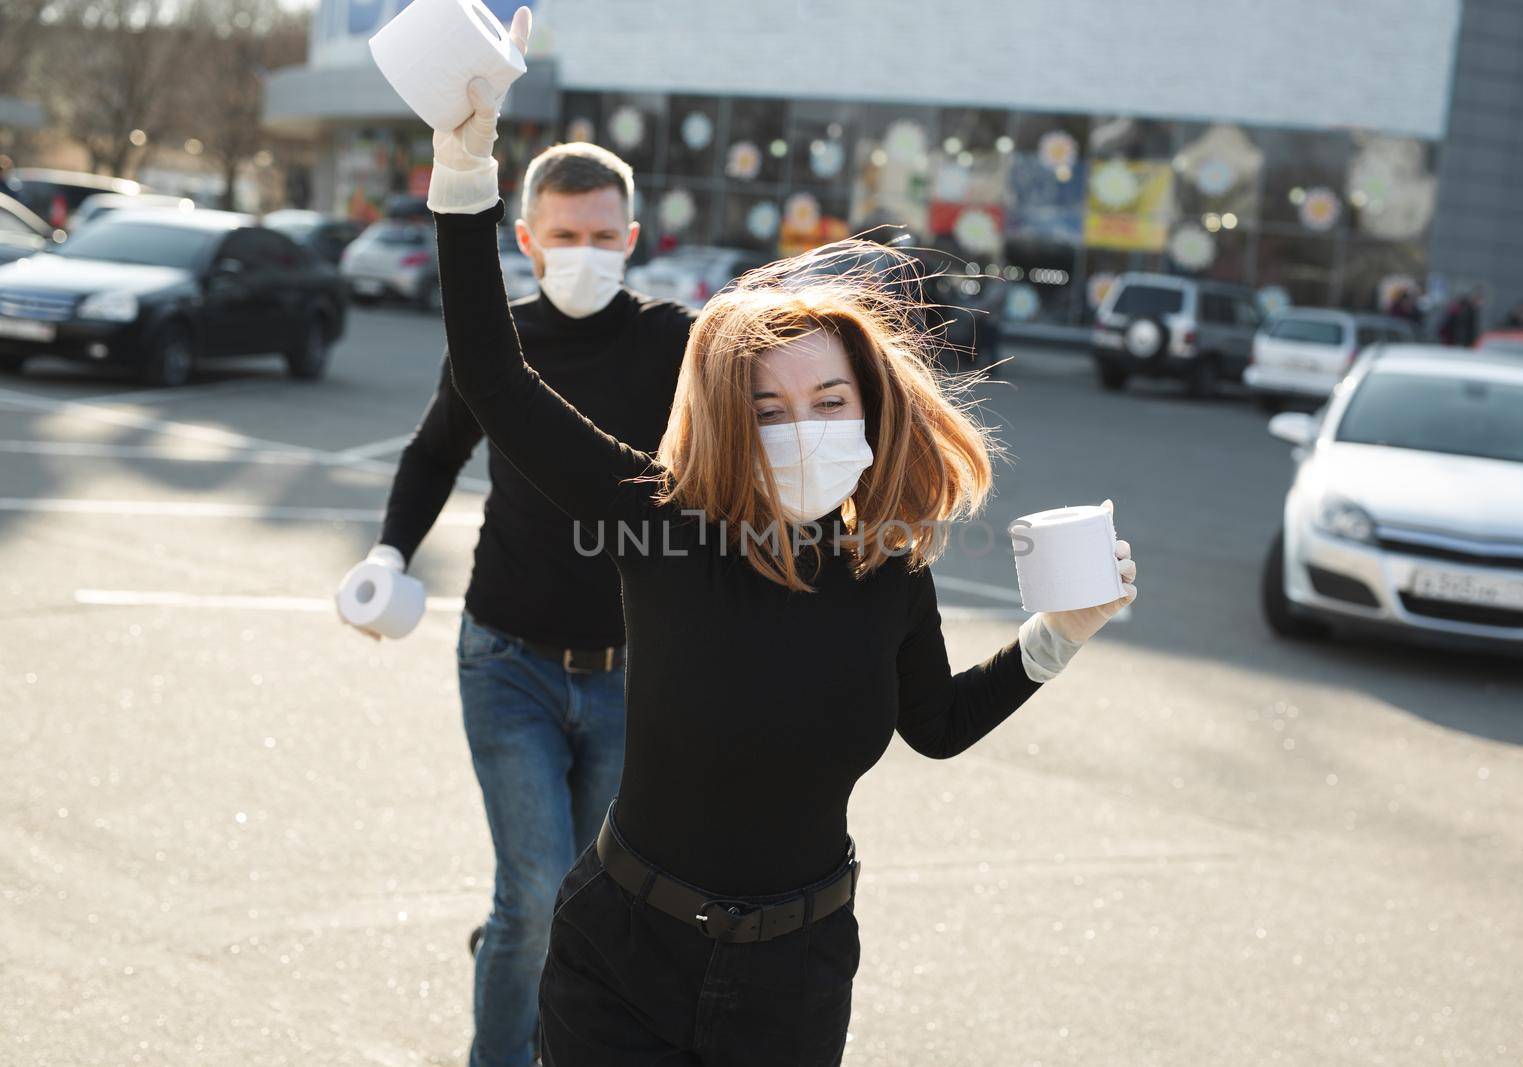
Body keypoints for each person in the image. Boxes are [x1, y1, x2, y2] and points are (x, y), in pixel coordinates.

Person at [427, 20, 1138, 1063]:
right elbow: (494, 375)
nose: (800, 424)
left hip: (795, 979)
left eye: (826, 396)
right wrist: (464, 170)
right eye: (768, 406)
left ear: (867, 409)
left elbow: (933, 723)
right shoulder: (661, 518)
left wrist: (1059, 633)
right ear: (729, 420)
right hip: (620, 955)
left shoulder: (888, 563)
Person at [338, 130, 695, 1067]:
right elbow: (431, 452)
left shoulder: (674, 346)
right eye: (564, 235)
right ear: (528, 242)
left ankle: (534, 999)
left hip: (630, 675)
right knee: (534, 889)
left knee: (588, 896)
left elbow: (737, 451)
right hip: (508, 660)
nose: (585, 252)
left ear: (633, 237)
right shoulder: (499, 346)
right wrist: (388, 553)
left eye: (603, 235)